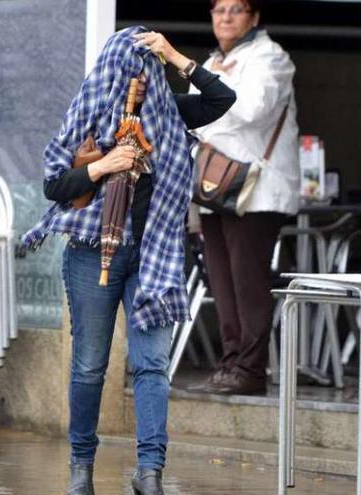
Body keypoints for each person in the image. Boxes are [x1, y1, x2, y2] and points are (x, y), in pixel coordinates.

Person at [22, 27, 235, 495]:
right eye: (129, 68)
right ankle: (82, 468)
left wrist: (176, 57)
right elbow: (55, 184)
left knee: (152, 365)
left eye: (146, 69)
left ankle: (150, 473)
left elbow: (223, 99)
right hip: (91, 253)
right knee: (89, 365)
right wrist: (105, 165)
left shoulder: (169, 113)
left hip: (153, 254)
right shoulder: (89, 113)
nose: (137, 78)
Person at [191, 0, 300, 395]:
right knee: (221, 280)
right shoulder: (212, 61)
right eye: (218, 9)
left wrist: (213, 104)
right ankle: (229, 363)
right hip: (213, 184)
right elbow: (197, 117)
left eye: (235, 9)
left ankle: (251, 370)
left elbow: (252, 109)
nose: (225, 17)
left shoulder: (272, 58)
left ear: (254, 17)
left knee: (247, 281)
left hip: (257, 189)